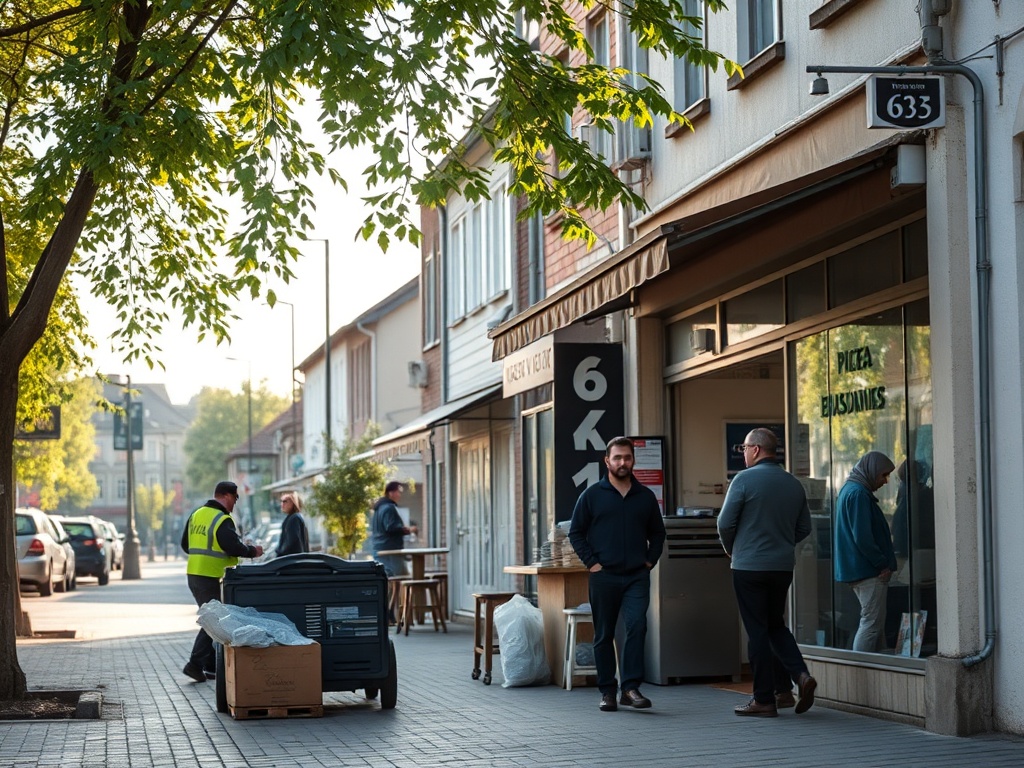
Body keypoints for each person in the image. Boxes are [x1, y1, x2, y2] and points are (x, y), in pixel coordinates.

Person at [717, 427, 816, 718]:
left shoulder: (743, 480)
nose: (744, 453)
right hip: (782, 566)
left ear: (757, 450)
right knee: (775, 625)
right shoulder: (793, 483)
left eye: (745, 448)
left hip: (748, 566)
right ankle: (796, 678)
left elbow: (724, 523)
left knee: (757, 631)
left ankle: (763, 699)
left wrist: (732, 549)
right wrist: (781, 544)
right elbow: (804, 528)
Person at [568, 436, 666, 713]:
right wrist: (592, 563)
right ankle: (608, 691)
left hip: (637, 575)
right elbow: (576, 533)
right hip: (604, 576)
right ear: (607, 461)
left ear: (633, 460)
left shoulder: (645, 496)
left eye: (627, 458)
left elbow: (658, 534)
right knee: (604, 634)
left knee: (637, 627)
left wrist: (649, 561)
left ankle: (631, 689)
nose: (623, 463)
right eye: (617, 458)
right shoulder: (591, 495)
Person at [180, 480, 263, 683]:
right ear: (226, 496)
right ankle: (195, 665)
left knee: (214, 618)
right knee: (215, 620)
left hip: (195, 573)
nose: (235, 503)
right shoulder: (222, 519)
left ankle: (210, 666)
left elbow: (185, 544)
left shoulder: (197, 514)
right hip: (209, 576)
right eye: (235, 498)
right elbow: (232, 546)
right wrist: (253, 551)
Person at [834, 451, 897, 653]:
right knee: (870, 625)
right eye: (883, 475)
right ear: (872, 471)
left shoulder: (851, 491)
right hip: (869, 571)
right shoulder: (859, 494)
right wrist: (882, 564)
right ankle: (862, 669)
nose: (885, 481)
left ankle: (877, 667)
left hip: (860, 569)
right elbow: (863, 537)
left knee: (874, 624)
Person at [370, 481, 416, 577]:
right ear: (391, 493)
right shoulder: (389, 508)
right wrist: (408, 530)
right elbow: (391, 528)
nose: (400, 495)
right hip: (390, 550)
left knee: (388, 580)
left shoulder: (379, 508)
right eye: (398, 492)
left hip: (380, 550)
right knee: (399, 578)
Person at [276, 492, 310, 556]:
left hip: (292, 561)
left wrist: (280, 553)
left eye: (285, 501)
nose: (282, 504)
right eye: (281, 501)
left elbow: (292, 541)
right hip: (295, 560)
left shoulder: (294, 518)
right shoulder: (295, 517)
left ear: (293, 502)